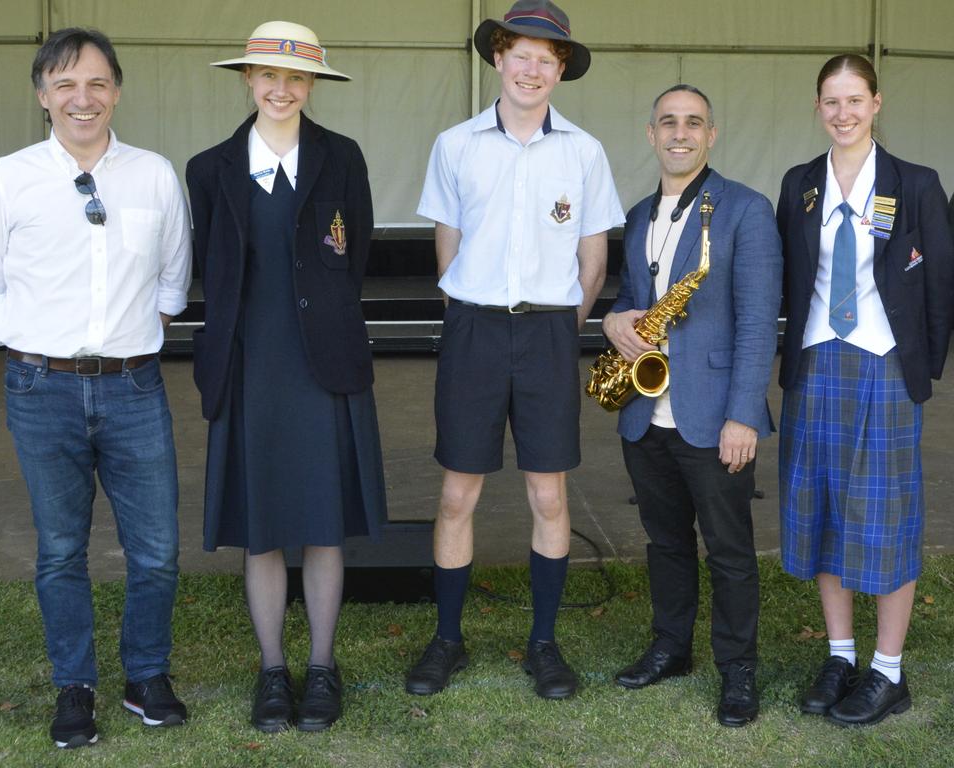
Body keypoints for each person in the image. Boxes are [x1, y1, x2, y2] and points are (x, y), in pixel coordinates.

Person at [0, 28, 191, 748]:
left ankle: (146, 676)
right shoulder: (6, 178)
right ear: (42, 97)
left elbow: (173, 280)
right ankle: (75, 686)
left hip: (133, 388)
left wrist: (121, 340)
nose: (81, 99)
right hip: (42, 389)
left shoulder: (154, 174)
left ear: (116, 90)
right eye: (65, 85)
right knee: (61, 548)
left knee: (155, 549)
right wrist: (35, 339)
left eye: (96, 84)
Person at [406, 0, 622, 701]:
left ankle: (543, 644)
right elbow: (448, 245)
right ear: (498, 57)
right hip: (472, 328)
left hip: (548, 334)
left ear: (561, 69)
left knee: (547, 493)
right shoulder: (454, 143)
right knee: (458, 492)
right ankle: (447, 640)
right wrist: (476, 308)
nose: (531, 68)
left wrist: (556, 324)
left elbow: (593, 259)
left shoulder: (584, 152)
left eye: (546, 58)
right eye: (520, 53)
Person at [186, 21, 386, 734]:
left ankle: (323, 668)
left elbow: (351, 254)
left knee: (324, 526)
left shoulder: (342, 159)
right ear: (246, 79)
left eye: (295, 78)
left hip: (324, 363)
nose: (281, 89)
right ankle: (273, 671)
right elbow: (213, 267)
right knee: (263, 528)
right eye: (267, 76)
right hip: (250, 366)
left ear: (311, 86)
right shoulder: (209, 169)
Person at [777, 54, 954, 727]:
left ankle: (887, 670)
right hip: (817, 364)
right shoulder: (799, 186)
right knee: (822, 511)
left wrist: (920, 368)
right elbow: (789, 277)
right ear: (818, 107)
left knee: (884, 518)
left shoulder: (914, 184)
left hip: (883, 366)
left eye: (855, 100)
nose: (843, 113)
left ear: (876, 103)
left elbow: (940, 282)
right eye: (831, 101)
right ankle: (840, 655)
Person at [603, 85, 781, 727]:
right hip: (645, 412)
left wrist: (743, 415)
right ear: (650, 133)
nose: (681, 133)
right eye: (669, 123)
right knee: (665, 542)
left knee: (730, 550)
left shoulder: (746, 210)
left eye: (694, 123)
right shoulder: (637, 214)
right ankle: (671, 647)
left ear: (712, 134)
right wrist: (614, 322)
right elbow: (629, 296)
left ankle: (737, 668)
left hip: (715, 418)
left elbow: (759, 323)